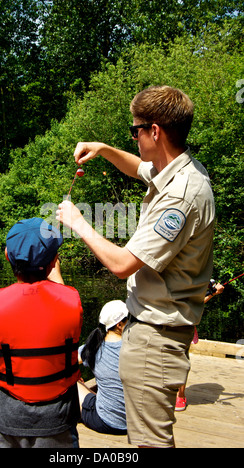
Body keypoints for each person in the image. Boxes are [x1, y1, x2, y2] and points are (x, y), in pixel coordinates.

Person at [56, 85, 215, 448]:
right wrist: (105, 149)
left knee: (149, 442)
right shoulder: (177, 169)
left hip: (155, 338)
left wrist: (79, 223)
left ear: (154, 132)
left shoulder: (180, 195)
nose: (134, 137)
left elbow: (123, 264)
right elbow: (139, 167)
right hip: (151, 331)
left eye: (135, 130)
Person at [0, 218, 83, 448]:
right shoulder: (73, 302)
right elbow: (61, 298)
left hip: (6, 420)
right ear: (54, 262)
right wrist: (51, 267)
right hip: (58, 420)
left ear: (6, 256)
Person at [78, 300, 128, 435]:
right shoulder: (134, 346)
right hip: (135, 423)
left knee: (73, 383)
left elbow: (67, 362)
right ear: (119, 325)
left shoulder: (94, 347)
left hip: (105, 422)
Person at [176, 281, 225, 411]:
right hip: (167, 321)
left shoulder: (196, 275)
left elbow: (194, 304)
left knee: (181, 359)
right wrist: (213, 292)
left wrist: (214, 291)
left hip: (185, 324)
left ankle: (180, 395)